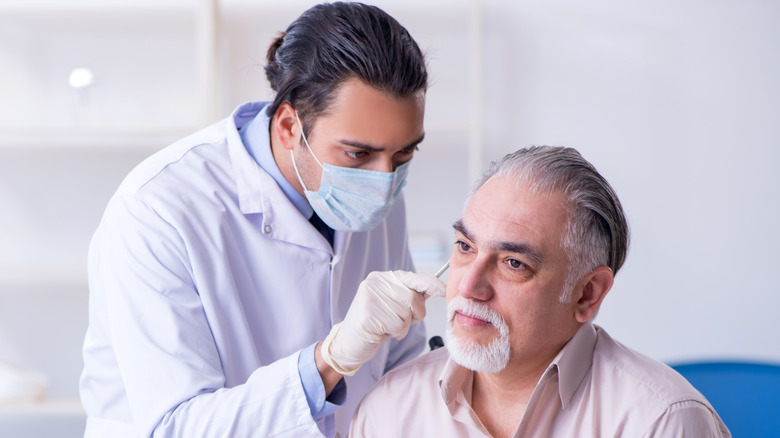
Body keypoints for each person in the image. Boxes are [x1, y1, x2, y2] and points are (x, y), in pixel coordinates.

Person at [79, 3, 445, 437]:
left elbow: (397, 366)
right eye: (357, 154)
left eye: (405, 153)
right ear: (290, 125)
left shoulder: (378, 193)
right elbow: (176, 426)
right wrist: (328, 362)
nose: (384, 180)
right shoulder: (159, 209)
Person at [350, 146, 732, 437]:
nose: (467, 286)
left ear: (587, 294)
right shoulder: (388, 412)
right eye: (465, 247)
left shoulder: (660, 422)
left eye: (514, 263)